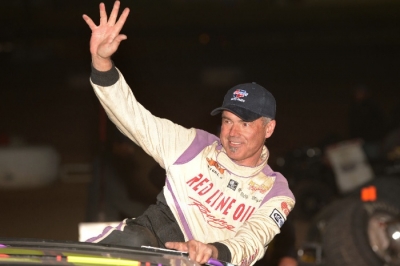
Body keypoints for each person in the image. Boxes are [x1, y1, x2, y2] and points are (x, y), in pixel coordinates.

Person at [82, 1, 295, 265]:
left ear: (269, 128)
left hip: (214, 261)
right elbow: (133, 118)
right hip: (149, 244)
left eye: (245, 123)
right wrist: (102, 61)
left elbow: (250, 243)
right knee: (132, 240)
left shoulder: (277, 192)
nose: (232, 133)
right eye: (228, 121)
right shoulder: (193, 145)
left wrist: (212, 250)